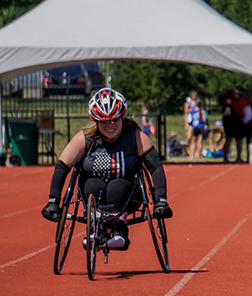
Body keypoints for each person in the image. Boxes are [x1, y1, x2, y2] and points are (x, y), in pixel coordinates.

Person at [42, 88, 171, 249]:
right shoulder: (85, 138)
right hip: (93, 193)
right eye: (103, 121)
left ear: (122, 116)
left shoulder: (135, 137)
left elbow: (156, 167)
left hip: (129, 193)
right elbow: (62, 167)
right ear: (95, 120)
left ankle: (119, 230)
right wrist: (53, 201)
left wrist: (161, 200)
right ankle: (97, 230)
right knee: (93, 184)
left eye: (114, 120)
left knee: (118, 185)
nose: (110, 125)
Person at [184, 90, 207, 159]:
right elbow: (204, 119)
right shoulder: (200, 110)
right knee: (199, 141)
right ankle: (198, 155)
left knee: (194, 141)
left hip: (195, 125)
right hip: (199, 125)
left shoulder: (192, 109)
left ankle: (191, 155)